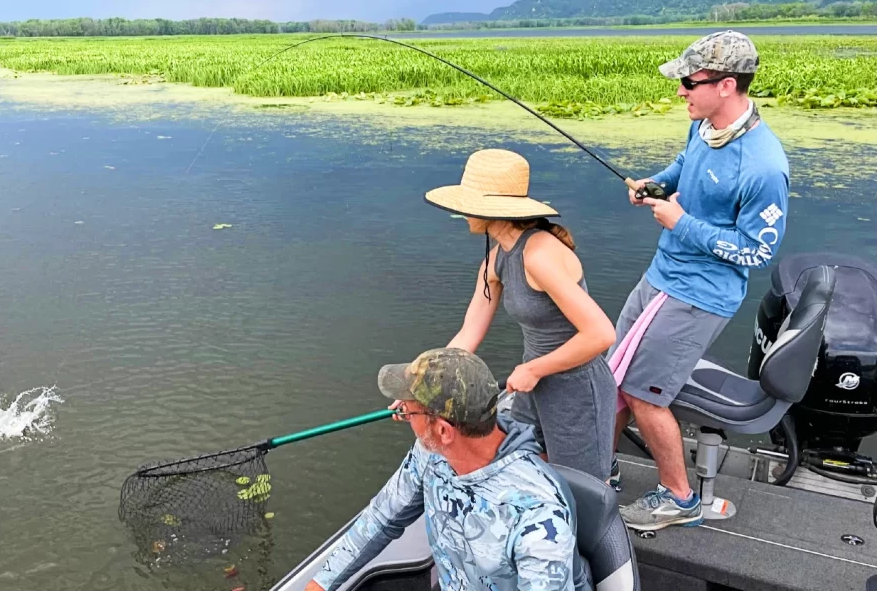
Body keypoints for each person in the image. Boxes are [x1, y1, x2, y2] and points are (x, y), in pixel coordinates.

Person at [610, 30, 790, 531]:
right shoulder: (705, 125)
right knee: (613, 378)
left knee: (645, 393)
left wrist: (679, 222)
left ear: (726, 84)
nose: (681, 91)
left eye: (690, 82)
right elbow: (686, 165)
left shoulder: (763, 165)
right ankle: (599, 469)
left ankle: (680, 498)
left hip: (699, 296)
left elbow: (758, 250)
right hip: (661, 276)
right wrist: (657, 185)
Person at [400, 148, 617, 482]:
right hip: (534, 387)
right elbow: (468, 335)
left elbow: (601, 334)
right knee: (534, 474)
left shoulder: (539, 255)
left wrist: (533, 368)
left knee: (584, 491)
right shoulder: (495, 260)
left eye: (467, 204)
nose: (461, 212)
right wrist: (420, 385)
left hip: (576, 390)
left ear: (493, 210)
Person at [306, 347, 589, 591]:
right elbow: (383, 516)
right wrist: (319, 584)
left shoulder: (538, 518)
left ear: (443, 430)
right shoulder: (433, 452)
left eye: (410, 410)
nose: (401, 411)